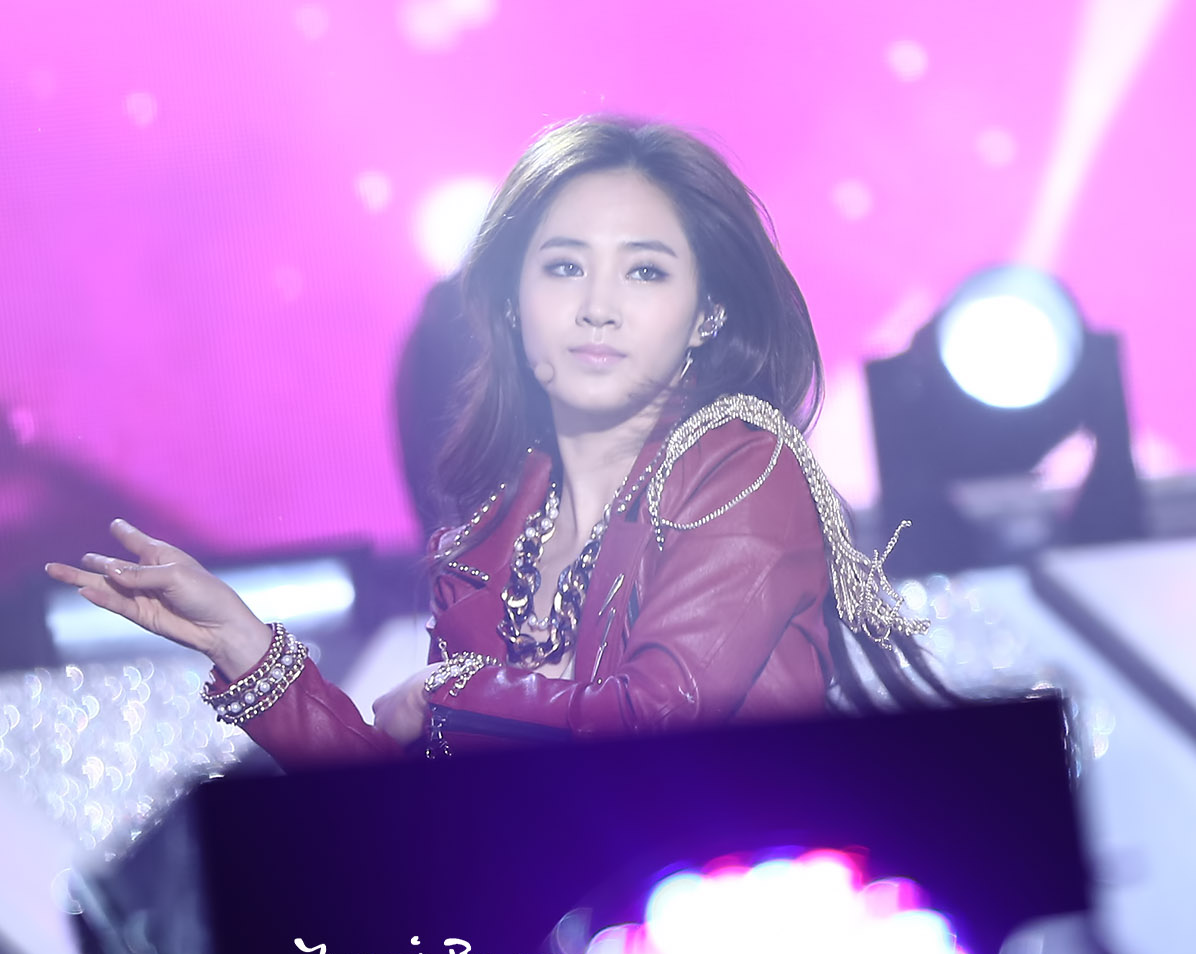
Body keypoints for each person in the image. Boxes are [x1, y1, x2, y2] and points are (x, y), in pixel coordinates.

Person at [46, 116, 943, 770]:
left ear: (707, 314)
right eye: (564, 267)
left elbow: (661, 719)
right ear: (513, 308)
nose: (598, 306)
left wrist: (447, 694)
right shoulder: (487, 537)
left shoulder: (742, 469)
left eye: (645, 271)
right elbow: (430, 813)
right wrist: (248, 648)